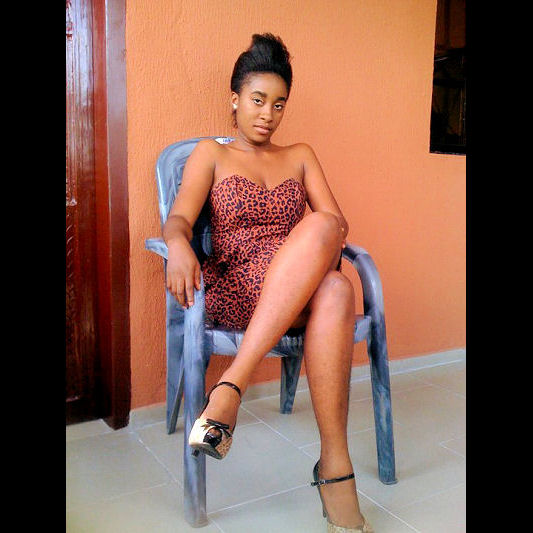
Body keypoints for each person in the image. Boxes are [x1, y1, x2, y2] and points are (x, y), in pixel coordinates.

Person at [162, 33, 373, 533]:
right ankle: (335, 473)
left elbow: (336, 226)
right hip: (239, 287)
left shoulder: (300, 154)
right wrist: (176, 244)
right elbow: (180, 219)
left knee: (330, 254)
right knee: (338, 289)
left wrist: (314, 242)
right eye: (258, 100)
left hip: (299, 286)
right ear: (234, 100)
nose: (268, 115)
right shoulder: (210, 154)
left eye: (279, 104)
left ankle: (232, 387)